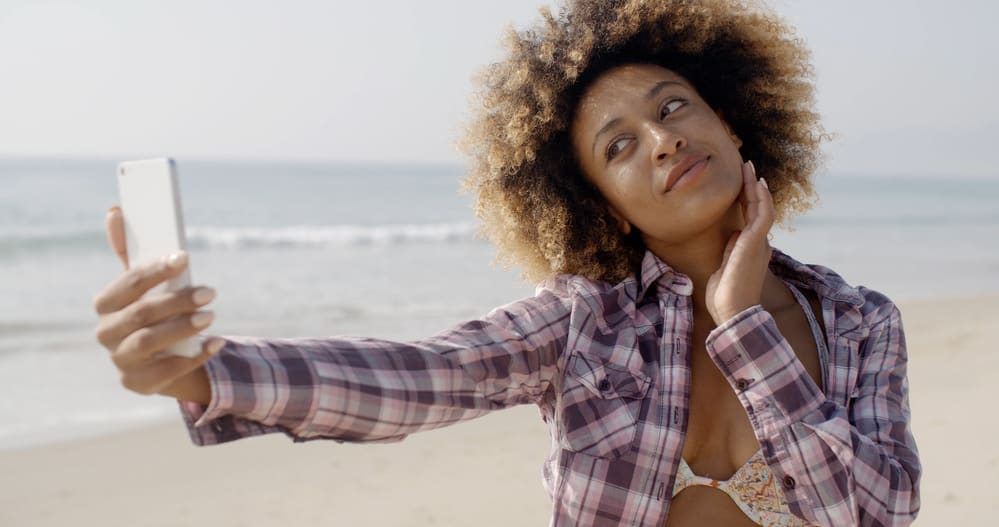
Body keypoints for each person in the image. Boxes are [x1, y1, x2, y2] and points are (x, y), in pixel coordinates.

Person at [92, 0, 921, 525]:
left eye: (673, 107)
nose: (662, 138)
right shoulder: (583, 318)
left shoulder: (857, 322)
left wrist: (744, 323)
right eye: (619, 145)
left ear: (733, 124)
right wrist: (202, 372)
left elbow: (874, 509)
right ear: (601, 201)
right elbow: (427, 375)